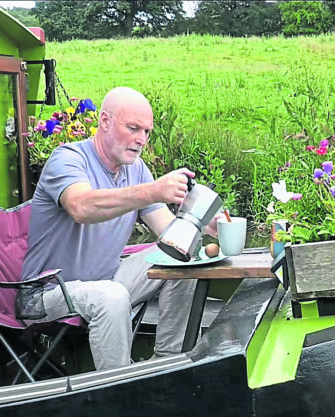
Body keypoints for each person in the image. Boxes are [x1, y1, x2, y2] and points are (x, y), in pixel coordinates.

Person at [19, 87, 214, 371]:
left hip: (108, 279)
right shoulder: (68, 159)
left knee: (182, 258)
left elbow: (170, 234)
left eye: (146, 132)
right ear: (105, 121)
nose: (141, 140)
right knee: (111, 297)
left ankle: (169, 367)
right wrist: (152, 191)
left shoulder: (136, 170)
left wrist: (203, 225)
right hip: (46, 292)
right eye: (133, 128)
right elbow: (82, 207)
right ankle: (120, 393)